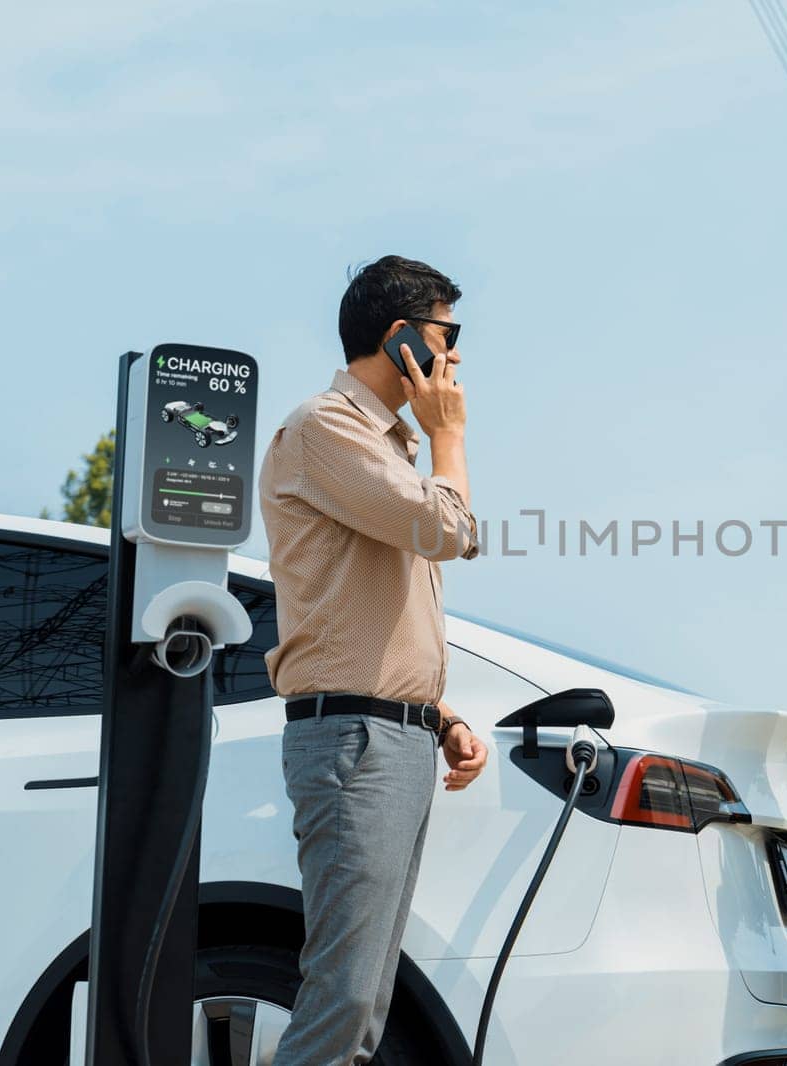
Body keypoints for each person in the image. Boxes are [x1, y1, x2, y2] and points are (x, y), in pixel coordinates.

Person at [258, 254, 490, 1065]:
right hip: (353, 742)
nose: (456, 356)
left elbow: (376, 608)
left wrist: (440, 713)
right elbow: (448, 531)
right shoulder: (326, 428)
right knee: (344, 996)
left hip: (391, 736)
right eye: (446, 335)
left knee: (363, 1002)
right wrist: (450, 438)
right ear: (399, 340)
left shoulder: (384, 448)